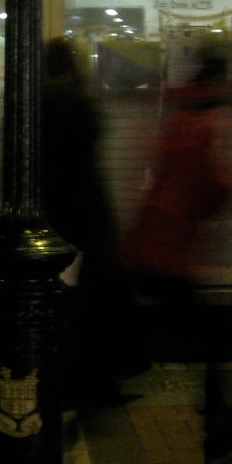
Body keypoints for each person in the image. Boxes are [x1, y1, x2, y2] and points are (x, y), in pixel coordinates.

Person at [125, 43, 232, 464]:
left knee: (200, 347)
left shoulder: (179, 118)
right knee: (216, 351)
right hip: (169, 256)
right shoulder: (205, 125)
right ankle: (222, 450)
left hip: (154, 251)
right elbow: (210, 187)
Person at [41, 37, 138, 403]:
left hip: (58, 211)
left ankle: (68, 373)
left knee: (63, 297)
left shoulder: (45, 105)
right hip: (89, 210)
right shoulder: (83, 102)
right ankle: (98, 375)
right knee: (98, 297)